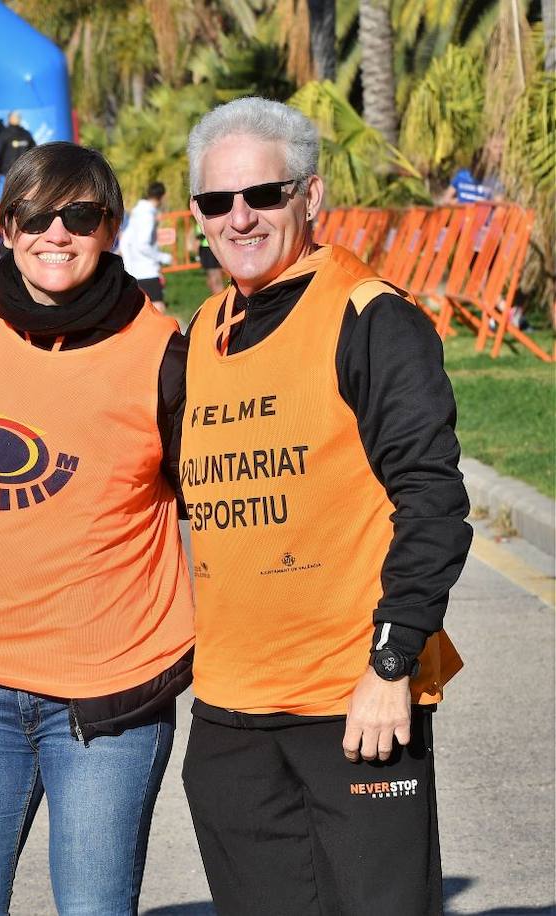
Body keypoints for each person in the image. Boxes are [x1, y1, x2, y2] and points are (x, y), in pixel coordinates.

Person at [179, 96, 471, 915]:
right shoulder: (199, 332)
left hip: (354, 704)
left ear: (311, 197)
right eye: (216, 201)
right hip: (231, 718)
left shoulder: (371, 317)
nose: (239, 218)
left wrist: (390, 667)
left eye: (263, 195)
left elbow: (433, 502)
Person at [0, 142, 193, 915]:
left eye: (81, 216)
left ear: (109, 230)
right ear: (6, 226)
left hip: (106, 698)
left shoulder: (163, 353)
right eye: (35, 215)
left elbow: (220, 502)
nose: (56, 234)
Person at [119, 181, 172, 312]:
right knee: (158, 309)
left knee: (141, 312)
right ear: (163, 196)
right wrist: (164, 257)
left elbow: (125, 241)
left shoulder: (136, 213)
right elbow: (143, 245)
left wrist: (128, 265)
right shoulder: (148, 215)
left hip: (134, 271)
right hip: (147, 270)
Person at [0, 110, 36, 189]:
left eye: (18, 117)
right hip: (14, 170)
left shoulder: (25, 134)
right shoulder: (6, 134)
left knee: (16, 192)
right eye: (15, 117)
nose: (17, 119)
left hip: (20, 170)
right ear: (9, 119)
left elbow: (34, 151)